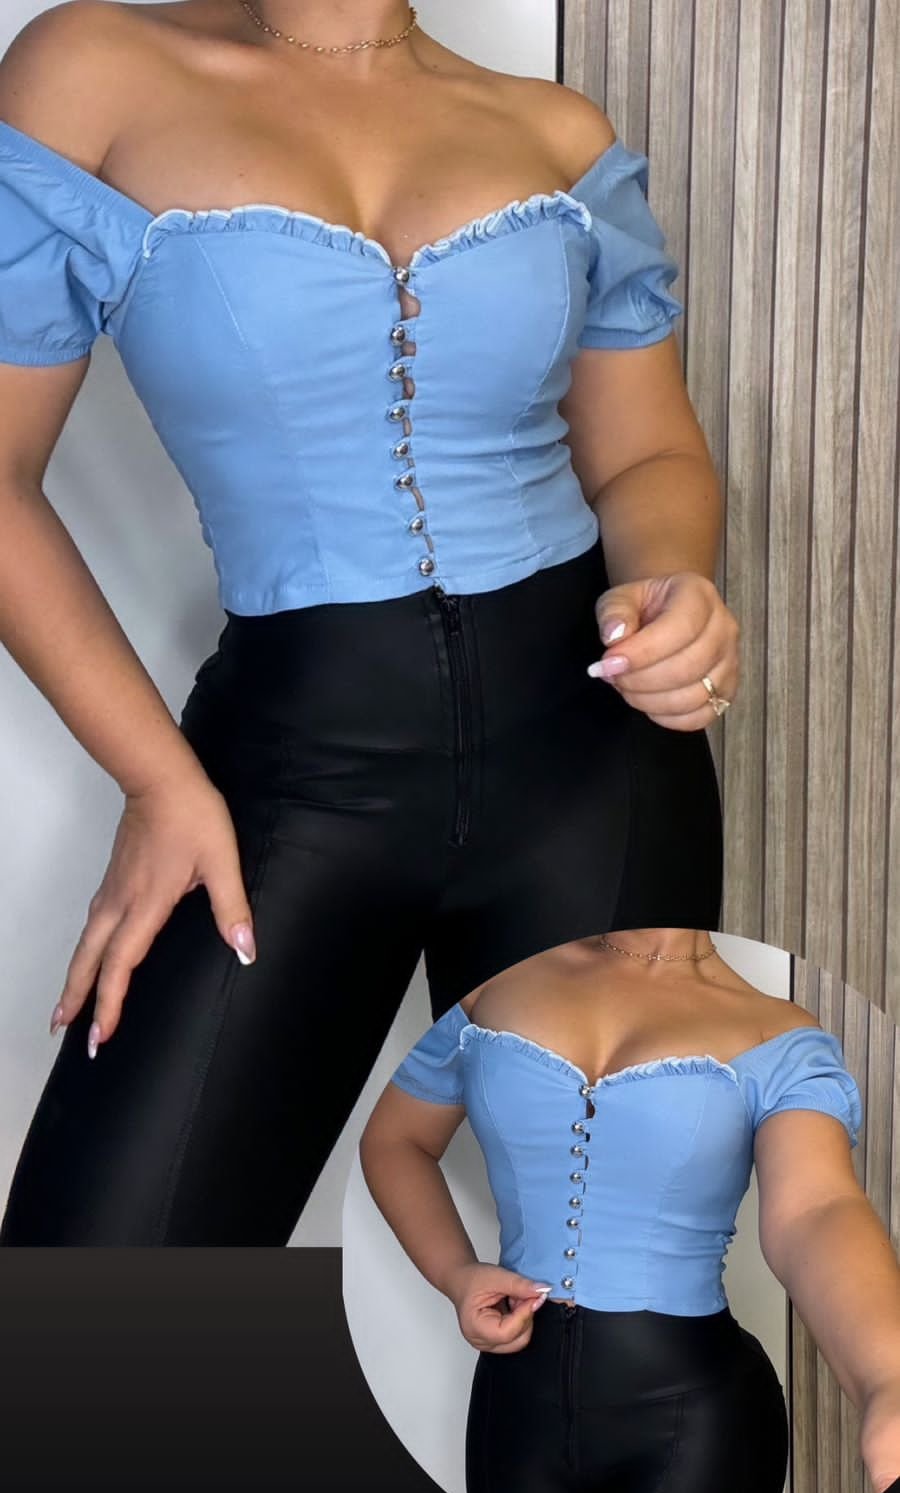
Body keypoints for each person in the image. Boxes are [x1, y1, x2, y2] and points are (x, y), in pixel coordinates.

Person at [0, 3, 736, 1246]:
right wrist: (158, 781)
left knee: (607, 1266)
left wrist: (676, 588)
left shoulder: (556, 132)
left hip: (599, 765)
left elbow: (646, 454)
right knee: (97, 1297)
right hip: (291, 774)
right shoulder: (91, 72)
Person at [360, 929, 900, 1493]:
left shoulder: (777, 1035)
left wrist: (887, 1378)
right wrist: (456, 1274)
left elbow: (818, 1209)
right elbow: (396, 1140)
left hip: (693, 1425)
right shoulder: (489, 982)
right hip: (512, 1411)